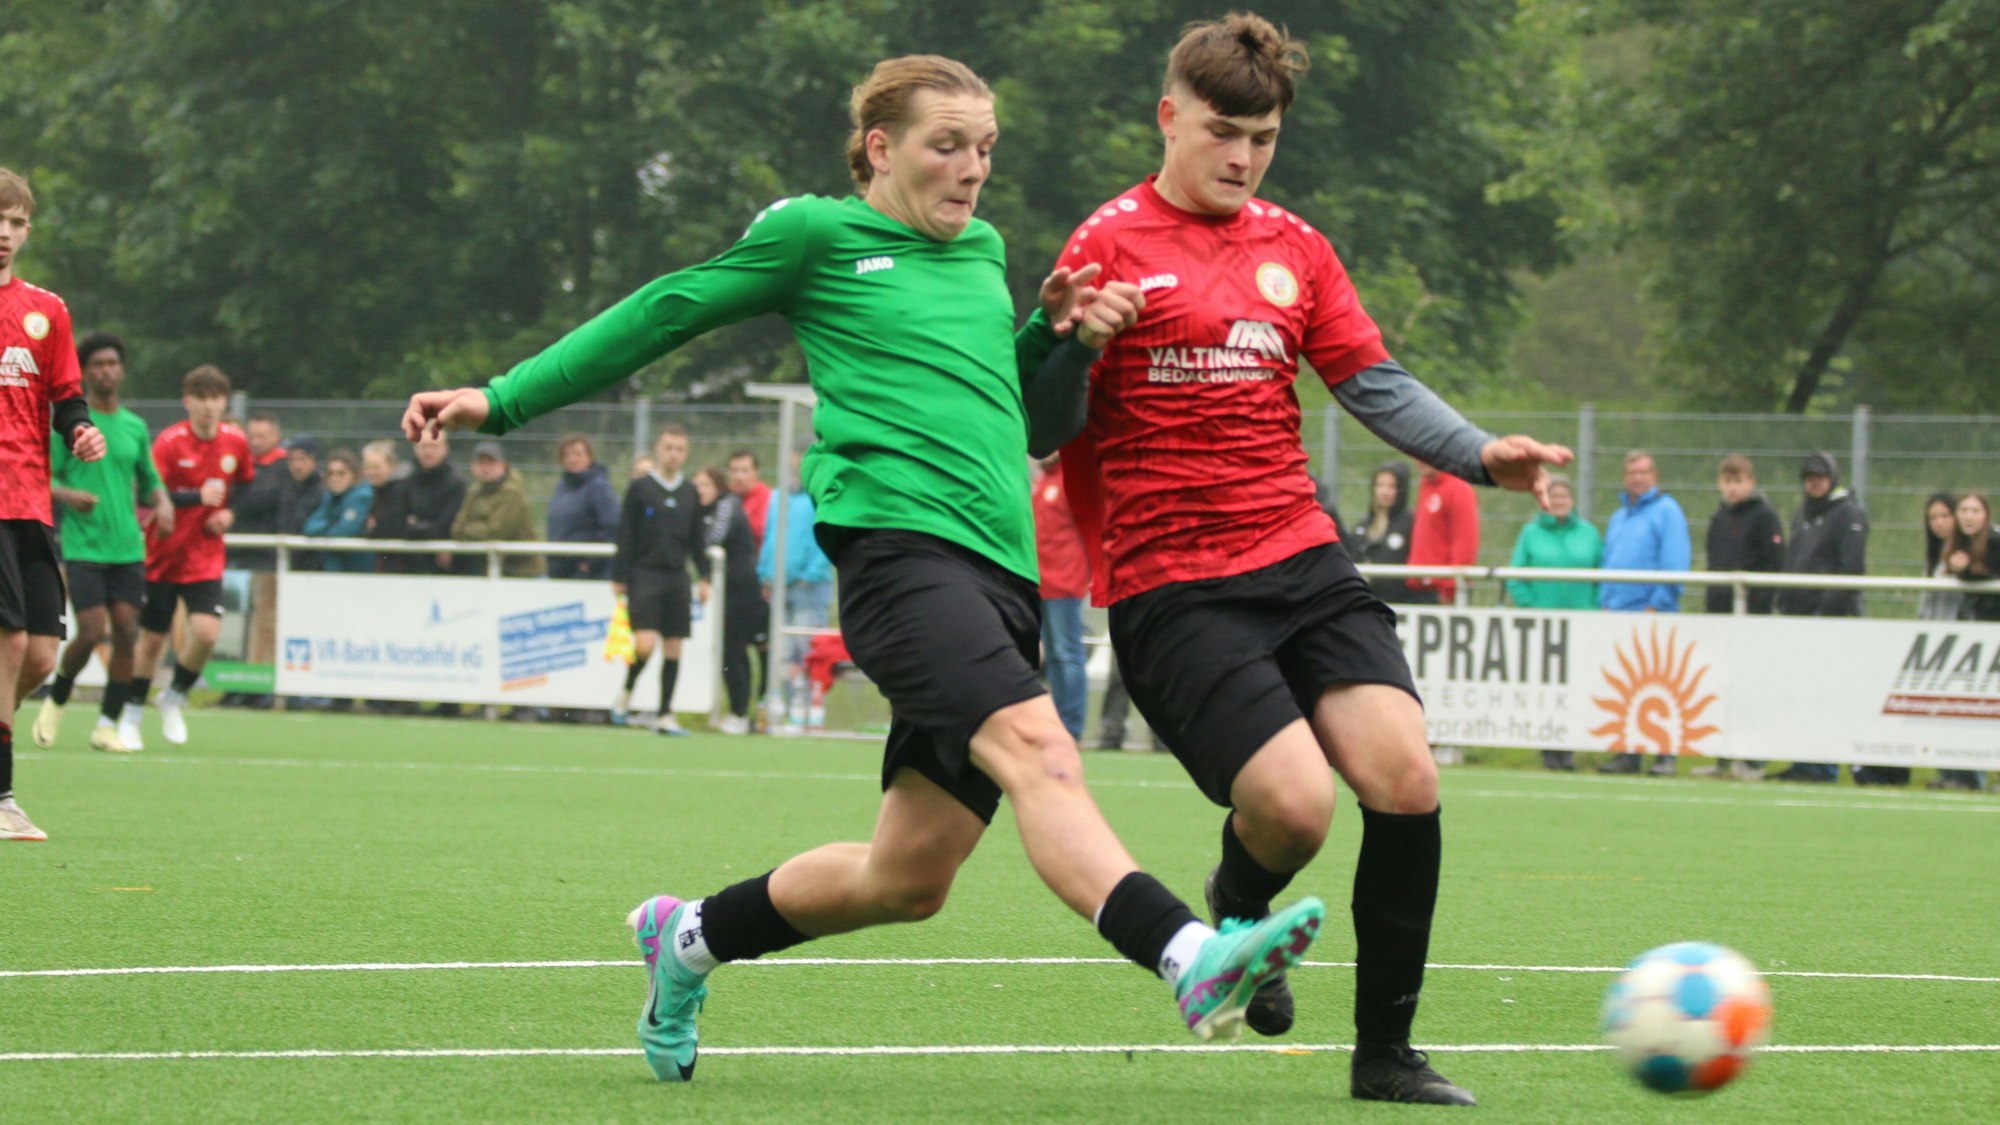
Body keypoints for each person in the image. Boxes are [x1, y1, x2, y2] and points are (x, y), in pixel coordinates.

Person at [402, 53, 1324, 1083]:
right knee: (1039, 750)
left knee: (906, 878)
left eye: (983, 149)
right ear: (879, 149)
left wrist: (1052, 335)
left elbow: (1012, 408)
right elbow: (661, 313)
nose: (970, 170)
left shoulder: (980, 250)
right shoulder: (814, 235)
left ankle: (687, 937)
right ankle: (1188, 957)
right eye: (945, 147)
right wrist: (502, 397)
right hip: (897, 561)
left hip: (998, 581)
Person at [1052, 17, 1571, 1105]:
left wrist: (1480, 453)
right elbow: (1036, 424)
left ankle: (1383, 1054)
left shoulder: (1295, 247)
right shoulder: (1103, 244)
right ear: (1168, 117)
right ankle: (1237, 912)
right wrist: (1070, 342)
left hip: (1299, 554)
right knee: (1296, 809)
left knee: (1405, 776)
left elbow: (1371, 384)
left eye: (1262, 138)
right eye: (1221, 133)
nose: (1240, 158)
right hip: (1172, 582)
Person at [1, 166, 108, 841]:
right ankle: (3, 795)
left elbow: (66, 397)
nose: (3, 235)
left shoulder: (47, 311)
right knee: (8, 641)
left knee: (41, 655)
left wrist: (81, 429)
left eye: (14, 223)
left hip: (30, 501)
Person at [35, 332, 172, 754]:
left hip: (127, 547)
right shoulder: (71, 427)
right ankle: (56, 700)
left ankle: (107, 726)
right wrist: (69, 496)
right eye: (97, 365)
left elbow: (150, 481)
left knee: (128, 632)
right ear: (85, 372)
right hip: (84, 546)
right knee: (93, 629)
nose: (106, 371)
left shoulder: (132, 427)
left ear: (121, 369)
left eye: (112, 363)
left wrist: (163, 504)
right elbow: (45, 479)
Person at [123, 364, 253, 752]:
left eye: (215, 398)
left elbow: (245, 486)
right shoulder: (168, 442)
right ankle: (131, 713)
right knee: (151, 641)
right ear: (187, 401)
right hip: (163, 555)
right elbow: (149, 492)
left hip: (205, 557)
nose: (209, 406)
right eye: (201, 398)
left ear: (224, 401)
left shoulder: (235, 441)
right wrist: (196, 497)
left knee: (208, 634)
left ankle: (174, 696)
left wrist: (231, 513)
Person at [1769, 452, 1868, 784]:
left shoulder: (1847, 513)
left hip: (1828, 621)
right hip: (1800, 618)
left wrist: (1828, 609)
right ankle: (1804, 760)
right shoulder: (1804, 513)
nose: (1815, 482)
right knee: (1802, 694)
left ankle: (1823, 765)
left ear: (1833, 477)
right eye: (1809, 476)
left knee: (1827, 695)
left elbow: (1851, 568)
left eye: (1820, 476)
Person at [1596, 450, 1689, 775]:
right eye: (1632, 472)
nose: (1638, 477)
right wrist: (1605, 602)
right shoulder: (1620, 516)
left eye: (1644, 472)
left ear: (1655, 475)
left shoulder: (1667, 511)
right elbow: (1610, 561)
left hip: (1652, 614)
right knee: (1625, 686)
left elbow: (1676, 563)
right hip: (1619, 613)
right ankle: (1629, 753)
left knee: (1660, 683)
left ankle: (1665, 754)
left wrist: (1657, 604)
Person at [1690, 455, 1783, 780]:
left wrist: (1756, 603)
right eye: (1727, 481)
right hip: (1720, 616)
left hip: (1751, 617)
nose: (1732, 488)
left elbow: (1773, 564)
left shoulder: (1765, 517)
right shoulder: (1719, 517)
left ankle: (1753, 759)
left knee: (1751, 688)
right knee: (1719, 686)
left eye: (1738, 481)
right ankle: (1722, 758)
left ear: (1750, 482)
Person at [612, 426, 702, 735]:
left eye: (679, 449)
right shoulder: (640, 488)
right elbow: (625, 532)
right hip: (645, 575)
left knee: (674, 646)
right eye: (668, 448)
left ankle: (665, 714)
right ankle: (626, 691)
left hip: (677, 577)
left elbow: (697, 540)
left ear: (685, 454)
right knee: (646, 645)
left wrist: (703, 577)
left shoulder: (690, 492)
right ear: (658, 450)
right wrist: (619, 575)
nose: (674, 454)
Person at [758, 447, 836, 731]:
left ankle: (810, 710)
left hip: (809, 588)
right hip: (780, 586)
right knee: (783, 652)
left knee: (808, 651)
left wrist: (812, 574)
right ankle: (789, 709)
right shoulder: (778, 497)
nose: (797, 460)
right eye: (795, 454)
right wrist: (765, 572)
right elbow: (771, 537)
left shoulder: (821, 494)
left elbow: (828, 535)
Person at [222, 410, 291, 707]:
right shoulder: (239, 464)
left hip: (265, 555)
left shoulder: (282, 468)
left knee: (265, 622)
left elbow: (260, 501)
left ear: (275, 436)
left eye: (263, 436)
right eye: (252, 436)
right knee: (238, 622)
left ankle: (261, 684)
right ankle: (236, 683)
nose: (257, 442)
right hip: (235, 553)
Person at [693, 465, 763, 734]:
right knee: (728, 651)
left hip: (742, 591)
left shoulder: (728, 505)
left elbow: (712, 538)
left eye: (705, 485)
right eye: (697, 486)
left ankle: (740, 713)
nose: (700, 491)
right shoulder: (705, 511)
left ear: (718, 488)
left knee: (734, 651)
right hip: (725, 593)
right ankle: (739, 711)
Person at [1922, 493, 1983, 791]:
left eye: (1945, 516)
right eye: (1933, 517)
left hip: (1967, 639)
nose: (1939, 523)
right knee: (1947, 709)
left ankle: (1971, 775)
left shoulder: (1977, 548)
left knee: (1972, 709)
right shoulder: (1940, 552)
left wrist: (1967, 570)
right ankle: (1952, 772)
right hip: (1940, 639)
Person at [1031, 453, 1089, 740]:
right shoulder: (1044, 479)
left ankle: (1071, 726)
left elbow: (1090, 531)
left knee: (1068, 654)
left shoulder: (1071, 478)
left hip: (1064, 583)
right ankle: (1057, 721)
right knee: (1053, 657)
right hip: (1041, 583)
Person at [1505, 474, 1601, 610]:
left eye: (1563, 496)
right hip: (1543, 622)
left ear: (1571, 500)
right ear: (1543, 500)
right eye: (1553, 496)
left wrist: (1592, 606)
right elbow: (1514, 578)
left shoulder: (1590, 533)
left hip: (1583, 619)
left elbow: (1602, 577)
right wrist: (1532, 607)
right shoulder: (1530, 533)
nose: (1559, 501)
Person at [452, 440, 543, 578]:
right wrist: (481, 527)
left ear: (503, 465)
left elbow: (496, 532)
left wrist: (471, 528)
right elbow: (457, 529)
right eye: (481, 463)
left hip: (523, 572)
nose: (486, 468)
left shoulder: (512, 492)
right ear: (473, 467)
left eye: (491, 462)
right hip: (490, 570)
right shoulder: (474, 491)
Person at [547, 434, 620, 580]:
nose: (572, 459)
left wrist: (591, 562)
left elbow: (611, 528)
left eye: (578, 454)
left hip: (588, 574)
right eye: (567, 455)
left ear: (589, 457)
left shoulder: (600, 488)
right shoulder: (561, 487)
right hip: (560, 570)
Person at [1406, 461, 1479, 606]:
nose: (1420, 460)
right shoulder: (1426, 485)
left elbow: (1465, 543)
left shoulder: (1458, 488)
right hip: (1420, 588)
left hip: (1441, 592)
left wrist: (1449, 590)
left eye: (1426, 455)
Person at [1350, 461, 1415, 606]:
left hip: (1401, 604)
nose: (1384, 492)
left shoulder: (1411, 523)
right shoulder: (1363, 526)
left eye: (1391, 486)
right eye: (1380, 485)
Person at [402, 431, 467, 575]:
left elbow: (446, 523)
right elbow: (398, 520)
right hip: (409, 557)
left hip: (444, 561)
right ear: (415, 448)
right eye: (424, 446)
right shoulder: (407, 480)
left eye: (434, 446)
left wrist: (415, 525)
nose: (428, 452)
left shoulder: (456, 483)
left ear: (445, 448)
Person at [302, 449, 377, 572]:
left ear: (354, 474)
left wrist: (327, 528)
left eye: (341, 473)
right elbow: (310, 528)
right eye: (331, 473)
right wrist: (333, 523)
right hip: (336, 568)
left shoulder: (361, 496)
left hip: (359, 570)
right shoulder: (330, 497)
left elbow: (344, 532)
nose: (335, 478)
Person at [1946, 491, 1999, 621]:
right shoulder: (1958, 542)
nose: (1969, 517)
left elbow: (1989, 578)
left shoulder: (1995, 542)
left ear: (1986, 515)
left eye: (1975, 511)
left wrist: (1964, 571)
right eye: (1963, 511)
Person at [361, 439, 411, 573]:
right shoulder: (371, 492)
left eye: (376, 467)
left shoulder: (400, 492)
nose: (372, 472)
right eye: (368, 467)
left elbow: (394, 528)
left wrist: (374, 528)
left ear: (391, 466)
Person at [276, 435, 325, 572]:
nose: (297, 465)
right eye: (292, 460)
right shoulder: (286, 490)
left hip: (312, 569)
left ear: (313, 460)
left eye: (302, 459)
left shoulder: (323, 493)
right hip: (287, 565)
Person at [727, 449, 773, 549]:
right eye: (734, 471)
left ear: (756, 472)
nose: (739, 477)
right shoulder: (725, 496)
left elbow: (761, 531)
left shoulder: (767, 498)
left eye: (745, 471)